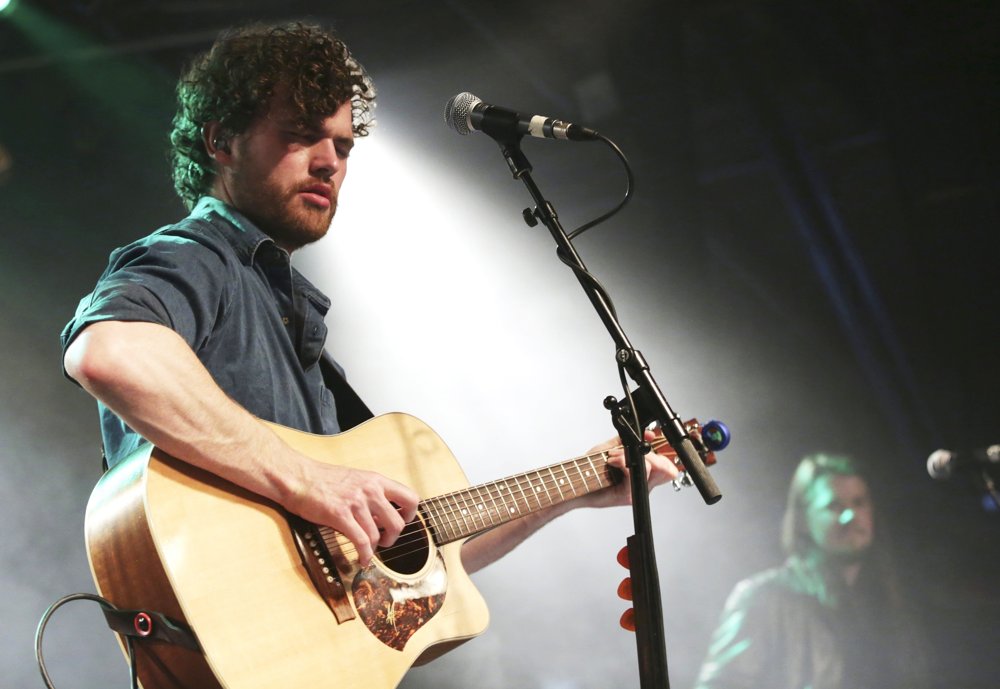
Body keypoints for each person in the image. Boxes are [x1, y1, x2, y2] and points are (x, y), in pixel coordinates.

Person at [61, 21, 678, 582]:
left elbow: (417, 551)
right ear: (221, 142)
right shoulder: (196, 256)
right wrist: (309, 479)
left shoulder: (285, 308)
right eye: (301, 137)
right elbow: (108, 353)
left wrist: (577, 486)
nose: (330, 162)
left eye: (344, 145)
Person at [693, 453, 928, 689]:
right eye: (834, 506)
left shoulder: (892, 601)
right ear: (804, 519)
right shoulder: (764, 597)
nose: (850, 516)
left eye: (859, 503)